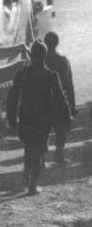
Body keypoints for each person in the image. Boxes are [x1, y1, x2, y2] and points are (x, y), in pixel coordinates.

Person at [6, 41, 71, 195]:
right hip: (43, 121)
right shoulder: (51, 75)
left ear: (31, 54)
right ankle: (33, 185)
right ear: (45, 55)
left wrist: (11, 118)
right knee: (39, 153)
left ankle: (25, 179)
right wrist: (66, 117)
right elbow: (61, 99)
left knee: (29, 149)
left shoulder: (22, 74)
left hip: (25, 119)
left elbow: (12, 97)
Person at [44, 31, 77, 164]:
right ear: (57, 43)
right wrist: (72, 105)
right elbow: (69, 84)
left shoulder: (40, 61)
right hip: (59, 100)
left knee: (43, 129)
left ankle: (42, 158)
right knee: (62, 129)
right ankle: (59, 155)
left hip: (43, 101)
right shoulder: (63, 61)